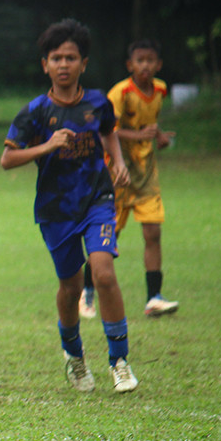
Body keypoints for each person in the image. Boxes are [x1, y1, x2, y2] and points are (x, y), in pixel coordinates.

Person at [1, 18, 138, 394]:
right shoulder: (34, 112)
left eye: (71, 58)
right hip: (56, 209)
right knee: (71, 287)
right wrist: (46, 146)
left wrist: (120, 163)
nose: (64, 64)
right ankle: (74, 355)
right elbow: (7, 160)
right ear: (45, 64)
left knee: (104, 272)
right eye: (56, 58)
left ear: (84, 64)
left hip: (98, 199)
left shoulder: (97, 103)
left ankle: (119, 361)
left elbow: (109, 131)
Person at [81, 39, 178, 319]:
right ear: (130, 65)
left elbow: (148, 124)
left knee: (153, 233)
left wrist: (157, 136)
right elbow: (104, 131)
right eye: (140, 60)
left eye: (150, 60)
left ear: (158, 65)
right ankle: (86, 296)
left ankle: (154, 298)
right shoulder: (119, 94)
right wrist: (139, 136)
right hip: (117, 174)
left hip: (146, 175)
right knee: (107, 239)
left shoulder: (160, 89)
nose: (145, 65)